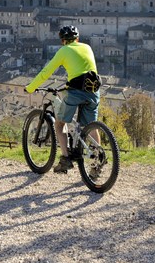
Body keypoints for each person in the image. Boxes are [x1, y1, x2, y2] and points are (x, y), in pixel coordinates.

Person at [25, 25, 101, 173]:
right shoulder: (87, 47)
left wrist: (30, 87)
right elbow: (83, 70)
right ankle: (97, 161)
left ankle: (65, 160)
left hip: (76, 92)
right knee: (91, 126)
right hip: (93, 91)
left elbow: (46, 72)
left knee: (59, 124)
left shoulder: (64, 50)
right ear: (77, 38)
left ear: (62, 41)